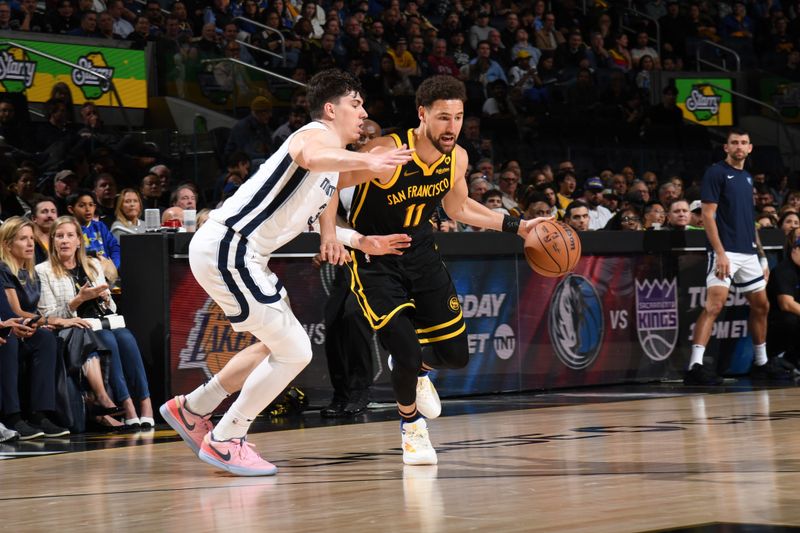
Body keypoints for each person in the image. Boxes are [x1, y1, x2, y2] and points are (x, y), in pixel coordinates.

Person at [159, 69, 414, 476]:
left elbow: (310, 218)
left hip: (238, 254)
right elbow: (312, 155)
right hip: (232, 247)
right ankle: (227, 439)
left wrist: (358, 240)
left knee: (273, 345)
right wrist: (369, 159)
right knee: (295, 349)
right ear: (330, 110)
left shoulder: (327, 170)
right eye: (356, 104)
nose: (363, 112)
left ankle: (193, 409)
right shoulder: (314, 136)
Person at [342, 75, 547, 466]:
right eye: (442, 118)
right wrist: (343, 238)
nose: (452, 127)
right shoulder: (387, 151)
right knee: (403, 348)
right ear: (422, 114)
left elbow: (458, 208)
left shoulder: (458, 158)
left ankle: (418, 367)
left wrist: (517, 227)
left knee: (455, 356)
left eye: (458, 117)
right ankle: (411, 428)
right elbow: (329, 182)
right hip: (376, 260)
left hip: (422, 254)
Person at [37, 216, 154, 428]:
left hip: (101, 322)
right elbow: (48, 313)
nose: (64, 240)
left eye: (70, 235)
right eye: (59, 236)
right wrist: (78, 300)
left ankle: (146, 403)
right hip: (73, 327)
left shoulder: (92, 264)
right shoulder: (43, 271)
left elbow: (112, 309)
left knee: (126, 337)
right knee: (108, 338)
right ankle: (127, 404)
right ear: (52, 240)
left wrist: (105, 297)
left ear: (79, 241)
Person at [687, 129, 777, 385]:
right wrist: (720, 253)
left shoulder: (747, 177)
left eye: (744, 143)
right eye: (734, 142)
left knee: (762, 305)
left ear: (750, 148)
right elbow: (707, 215)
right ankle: (695, 366)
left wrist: (761, 256)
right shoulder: (715, 172)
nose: (739, 146)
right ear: (726, 147)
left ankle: (761, 362)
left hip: (748, 252)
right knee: (714, 305)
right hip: (725, 251)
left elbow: (749, 221)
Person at [766, 232, 800, 367]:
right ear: (795, 250)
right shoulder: (784, 270)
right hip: (776, 321)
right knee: (790, 319)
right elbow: (786, 304)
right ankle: (778, 356)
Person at [31, 197, 58, 264]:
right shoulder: (30, 242)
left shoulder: (61, 239)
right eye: (44, 212)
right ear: (34, 218)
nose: (49, 215)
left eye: (53, 211)